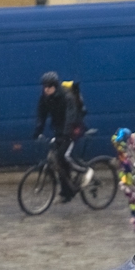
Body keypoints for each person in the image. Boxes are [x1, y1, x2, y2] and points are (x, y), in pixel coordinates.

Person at [33, 71, 91, 202]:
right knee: (58, 161)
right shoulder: (45, 98)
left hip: (74, 128)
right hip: (60, 129)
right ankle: (66, 192)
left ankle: (85, 171)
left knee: (63, 155)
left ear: (55, 86)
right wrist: (38, 131)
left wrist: (66, 133)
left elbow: (71, 116)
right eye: (44, 87)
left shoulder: (67, 96)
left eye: (48, 87)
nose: (46, 90)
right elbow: (41, 115)